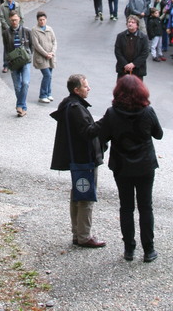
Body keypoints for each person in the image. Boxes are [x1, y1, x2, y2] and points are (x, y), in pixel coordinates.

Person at [98, 75, 163, 262]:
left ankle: (129, 249)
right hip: (144, 165)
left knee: (126, 207)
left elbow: (103, 136)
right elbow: (158, 134)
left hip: (121, 165)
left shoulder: (112, 113)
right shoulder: (147, 111)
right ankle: (149, 249)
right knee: (145, 207)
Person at [50, 74, 106, 248]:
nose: (88, 89)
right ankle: (84, 236)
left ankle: (78, 233)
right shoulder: (76, 108)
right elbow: (88, 132)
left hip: (77, 158)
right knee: (85, 198)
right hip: (84, 160)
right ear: (76, 89)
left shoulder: (69, 105)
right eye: (85, 86)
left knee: (77, 195)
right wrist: (106, 121)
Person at [2, 11, 32, 116]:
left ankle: (19, 105)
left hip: (25, 60)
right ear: (9, 20)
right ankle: (23, 108)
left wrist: (28, 55)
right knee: (17, 86)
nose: (14, 22)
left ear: (19, 18)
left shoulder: (27, 31)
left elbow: (31, 46)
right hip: (13, 62)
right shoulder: (6, 33)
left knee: (25, 83)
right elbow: (5, 48)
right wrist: (6, 62)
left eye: (15, 19)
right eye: (12, 20)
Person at [31, 11, 57, 103]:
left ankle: (48, 93)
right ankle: (42, 95)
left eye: (43, 19)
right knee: (47, 75)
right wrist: (46, 54)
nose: (42, 21)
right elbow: (36, 45)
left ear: (46, 19)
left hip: (51, 57)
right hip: (41, 57)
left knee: (50, 76)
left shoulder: (49, 29)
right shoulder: (34, 30)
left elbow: (54, 41)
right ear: (37, 20)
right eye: (40, 20)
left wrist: (52, 52)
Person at [115, 16, 150, 81]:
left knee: (136, 90)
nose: (130, 24)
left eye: (133, 22)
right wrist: (125, 64)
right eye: (129, 22)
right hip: (123, 70)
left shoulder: (143, 37)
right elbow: (118, 51)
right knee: (121, 90)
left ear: (137, 25)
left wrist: (133, 64)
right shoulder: (120, 36)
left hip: (137, 70)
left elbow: (145, 53)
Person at [0, 0, 23, 73]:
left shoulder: (17, 5)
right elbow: (2, 18)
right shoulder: (2, 6)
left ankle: (16, 63)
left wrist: (20, 28)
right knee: (7, 48)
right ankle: (6, 65)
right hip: (6, 30)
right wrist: (8, 28)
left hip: (17, 29)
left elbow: (21, 17)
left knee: (17, 46)